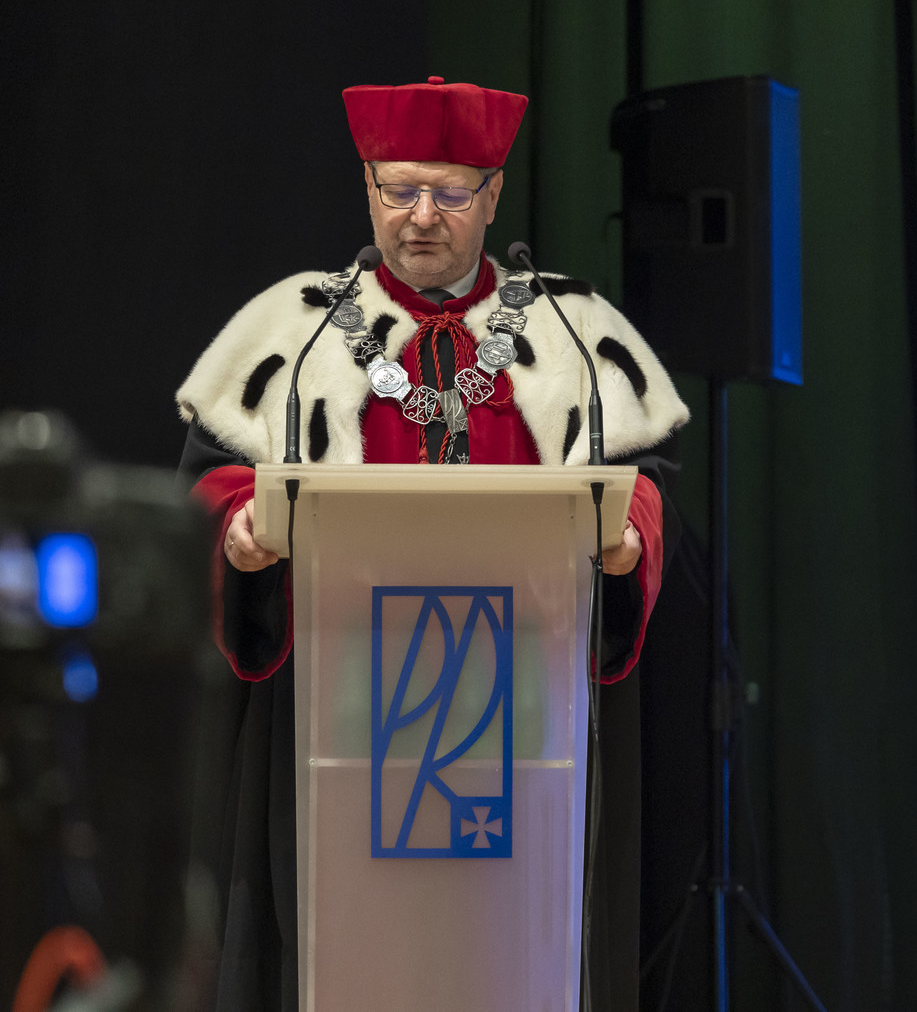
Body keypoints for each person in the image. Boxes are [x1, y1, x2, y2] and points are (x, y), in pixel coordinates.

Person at [174, 76, 687, 1011]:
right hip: (335, 704)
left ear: (493, 194)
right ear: (367, 187)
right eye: (398, 188)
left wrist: (628, 542)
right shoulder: (295, 328)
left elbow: (647, 490)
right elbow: (212, 482)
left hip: (521, 708)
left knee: (502, 948)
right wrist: (240, 532)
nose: (420, 217)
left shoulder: (573, 332)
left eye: (449, 193)